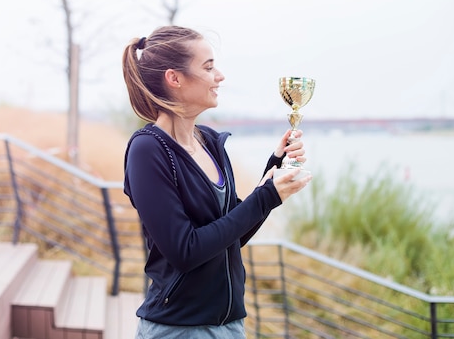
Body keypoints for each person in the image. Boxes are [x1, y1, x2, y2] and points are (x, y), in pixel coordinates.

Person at [121, 25, 312, 338]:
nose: (219, 76)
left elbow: (228, 238)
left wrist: (274, 169)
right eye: (208, 67)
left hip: (230, 325)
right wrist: (265, 197)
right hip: (178, 329)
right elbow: (185, 250)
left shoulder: (209, 142)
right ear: (175, 78)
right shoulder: (148, 149)